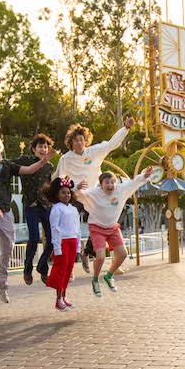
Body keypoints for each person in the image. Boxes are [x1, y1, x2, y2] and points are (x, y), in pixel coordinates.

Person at [0, 135, 56, 304]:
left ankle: (2, 285)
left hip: (5, 211)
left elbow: (28, 170)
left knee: (8, 249)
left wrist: (43, 162)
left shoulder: (7, 165)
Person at [56, 117, 135, 273]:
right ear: (71, 143)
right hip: (77, 196)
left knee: (107, 222)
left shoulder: (94, 152)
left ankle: (90, 253)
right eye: (76, 140)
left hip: (95, 196)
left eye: (81, 140)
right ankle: (69, 266)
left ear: (86, 141)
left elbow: (112, 143)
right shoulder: (65, 158)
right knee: (70, 228)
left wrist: (126, 128)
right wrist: (72, 187)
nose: (79, 143)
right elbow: (59, 179)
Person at [76, 167, 154, 297]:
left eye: (112, 182)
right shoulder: (94, 192)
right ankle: (95, 280)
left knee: (123, 254)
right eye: (107, 182)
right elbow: (79, 195)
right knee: (100, 256)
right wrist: (77, 188)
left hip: (112, 228)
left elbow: (133, 182)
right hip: (97, 228)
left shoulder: (120, 190)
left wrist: (144, 176)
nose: (110, 185)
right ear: (101, 185)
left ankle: (109, 275)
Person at [16, 134, 56, 286]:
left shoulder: (49, 166)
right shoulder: (25, 160)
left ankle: (42, 267)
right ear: (33, 149)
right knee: (34, 238)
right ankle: (27, 269)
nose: (43, 149)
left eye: (45, 147)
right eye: (40, 146)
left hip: (45, 205)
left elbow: (50, 185)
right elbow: (8, 164)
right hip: (31, 205)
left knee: (52, 239)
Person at [44, 177, 82, 311]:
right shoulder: (56, 209)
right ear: (56, 195)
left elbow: (77, 228)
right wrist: (57, 247)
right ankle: (58, 299)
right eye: (63, 193)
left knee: (68, 271)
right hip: (62, 242)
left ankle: (64, 297)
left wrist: (78, 245)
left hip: (72, 241)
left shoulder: (73, 209)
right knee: (60, 270)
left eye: (68, 193)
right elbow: (55, 228)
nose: (67, 195)